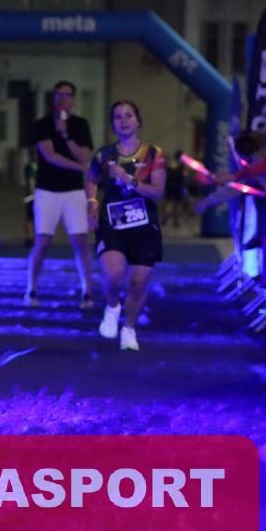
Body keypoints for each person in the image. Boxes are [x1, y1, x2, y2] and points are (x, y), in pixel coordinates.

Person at [86, 100, 166, 351]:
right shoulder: (104, 155)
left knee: (137, 284)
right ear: (112, 124)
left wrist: (129, 180)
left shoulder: (153, 154)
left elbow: (158, 191)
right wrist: (91, 203)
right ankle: (112, 307)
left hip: (144, 226)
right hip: (112, 224)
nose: (124, 121)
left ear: (138, 120)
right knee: (113, 274)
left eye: (129, 115)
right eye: (118, 117)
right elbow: (91, 179)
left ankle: (129, 328)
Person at [25, 80, 95, 309]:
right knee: (43, 242)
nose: (61, 98)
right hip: (47, 190)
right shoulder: (42, 124)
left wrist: (65, 135)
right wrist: (80, 168)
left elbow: (85, 155)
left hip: (74, 192)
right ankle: (31, 288)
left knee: (81, 241)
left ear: (73, 98)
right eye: (57, 94)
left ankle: (87, 291)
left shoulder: (80, 125)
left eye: (66, 94)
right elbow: (50, 155)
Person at [162, 151, 186, 228]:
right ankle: (176, 221)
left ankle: (165, 219)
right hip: (178, 187)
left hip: (169, 186)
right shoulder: (182, 166)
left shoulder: (169, 165)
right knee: (177, 205)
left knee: (169, 203)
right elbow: (184, 176)